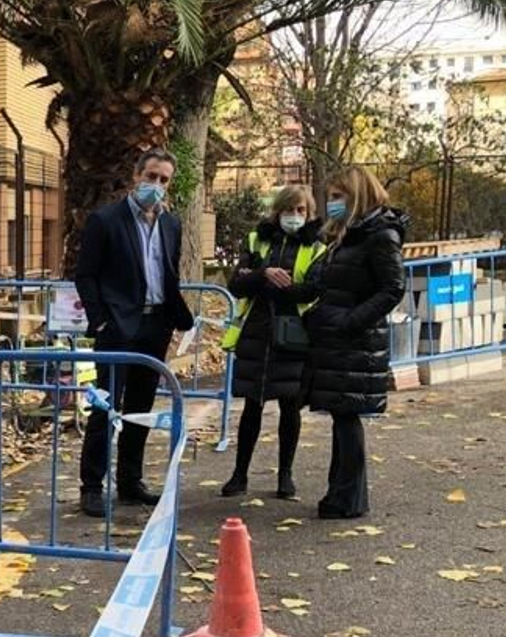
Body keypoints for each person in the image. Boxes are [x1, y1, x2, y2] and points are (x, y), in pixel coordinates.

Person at [74, 148, 195, 517]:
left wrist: (174, 320)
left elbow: (169, 274)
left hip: (156, 324)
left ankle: (130, 482)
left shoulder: (171, 224)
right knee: (105, 406)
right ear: (136, 175)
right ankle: (91, 487)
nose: (156, 186)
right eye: (151, 177)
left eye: (163, 180)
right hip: (118, 326)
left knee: (141, 407)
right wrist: (101, 321)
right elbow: (86, 275)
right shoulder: (106, 220)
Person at [304, 165, 408, 519]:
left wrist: (350, 322)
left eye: (337, 197)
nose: (331, 204)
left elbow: (392, 287)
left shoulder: (379, 236)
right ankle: (342, 494)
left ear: (355, 196)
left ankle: (347, 497)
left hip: (354, 339)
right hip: (340, 336)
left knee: (347, 417)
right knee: (341, 416)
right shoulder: (348, 235)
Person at [222, 185, 326, 499]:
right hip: (257, 332)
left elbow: (314, 288)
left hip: (294, 333)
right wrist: (262, 274)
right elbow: (237, 283)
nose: (294, 217)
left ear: (308, 214)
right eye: (288, 210)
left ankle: (286, 476)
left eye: (301, 211)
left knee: (290, 407)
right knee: (251, 406)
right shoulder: (256, 240)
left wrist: (284, 286)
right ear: (277, 210)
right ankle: (239, 475)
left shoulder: (317, 247)